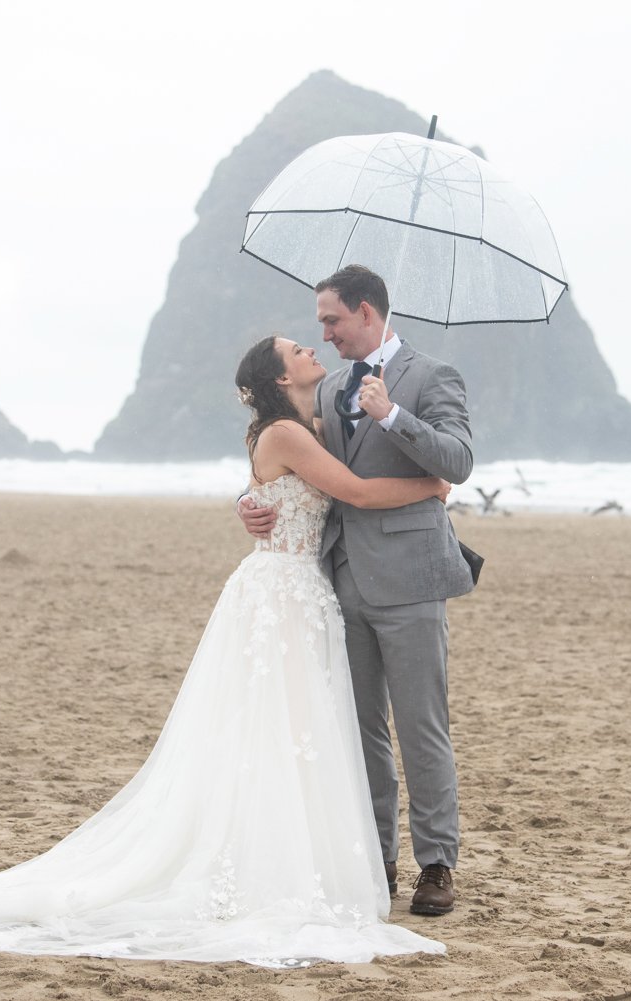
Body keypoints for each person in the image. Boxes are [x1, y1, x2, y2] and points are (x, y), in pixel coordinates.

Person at [0, 335, 449, 968]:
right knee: (278, 728)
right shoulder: (284, 432)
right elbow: (350, 490)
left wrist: (250, 497)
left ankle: (299, 855)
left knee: (295, 731)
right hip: (282, 593)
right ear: (277, 378)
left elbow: (296, 476)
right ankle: (271, 864)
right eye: (297, 347)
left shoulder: (311, 422)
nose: (308, 346)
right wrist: (428, 489)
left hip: (302, 592)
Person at [238, 265, 474, 917]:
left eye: (331, 319)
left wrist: (392, 414)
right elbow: (294, 472)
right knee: (361, 728)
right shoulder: (329, 388)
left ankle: (436, 864)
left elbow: (456, 463)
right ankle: (375, 858)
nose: (324, 331)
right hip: (339, 581)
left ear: (366, 312)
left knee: (422, 724)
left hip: (410, 577)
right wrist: (248, 502)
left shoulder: (432, 378)